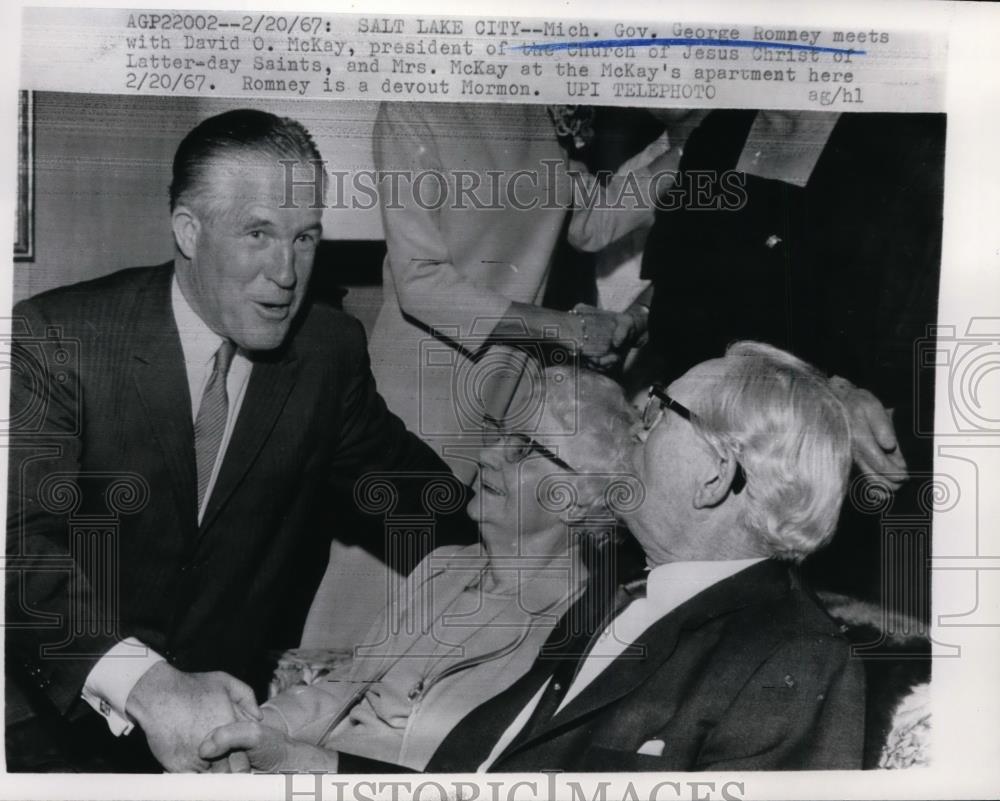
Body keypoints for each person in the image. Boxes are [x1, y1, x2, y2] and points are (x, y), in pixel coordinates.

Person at [5, 109, 466, 773]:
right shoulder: (60, 339)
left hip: (238, 729)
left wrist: (539, 540)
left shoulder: (328, 350)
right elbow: (17, 544)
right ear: (189, 231)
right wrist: (149, 684)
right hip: (67, 718)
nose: (286, 271)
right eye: (259, 233)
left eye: (305, 237)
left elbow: (414, 497)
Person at [200, 341, 866, 772]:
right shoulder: (622, 602)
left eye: (662, 412)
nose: (641, 424)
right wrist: (302, 765)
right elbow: (479, 771)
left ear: (715, 474)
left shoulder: (797, 658)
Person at [227, 368, 637, 770]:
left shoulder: (576, 632)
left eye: (523, 448)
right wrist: (254, 729)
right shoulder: (442, 567)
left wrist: (302, 764)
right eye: (499, 434)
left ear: (576, 498)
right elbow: (349, 683)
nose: (487, 455)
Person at [638, 110, 945, 611]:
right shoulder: (721, 132)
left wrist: (835, 407)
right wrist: (819, 393)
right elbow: (677, 314)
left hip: (850, 480)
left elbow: (922, 351)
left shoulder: (911, 138)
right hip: (718, 454)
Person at [368, 102, 640, 483]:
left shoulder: (546, 108)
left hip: (508, 389)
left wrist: (684, 148)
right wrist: (567, 329)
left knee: (482, 536)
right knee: (401, 534)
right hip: (421, 385)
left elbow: (594, 222)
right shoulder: (415, 108)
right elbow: (419, 281)